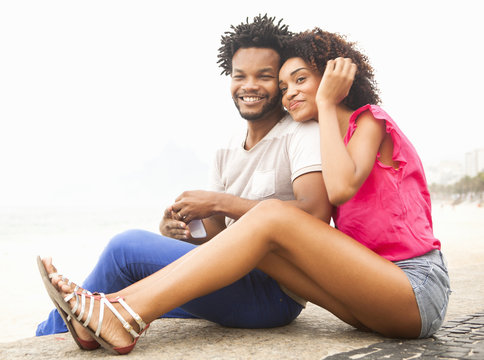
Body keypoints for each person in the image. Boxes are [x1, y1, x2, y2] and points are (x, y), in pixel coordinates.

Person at [39, 27, 451, 355]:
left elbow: (339, 190)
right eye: (286, 85)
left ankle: (122, 314)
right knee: (266, 235)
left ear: (332, 80)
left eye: (300, 80)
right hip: (371, 297)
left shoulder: (370, 120)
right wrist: (192, 223)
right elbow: (232, 242)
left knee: (273, 215)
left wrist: (327, 102)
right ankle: (111, 311)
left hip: (416, 288)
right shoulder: (330, 140)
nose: (290, 94)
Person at [36, 15, 331, 339]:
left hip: (272, 294)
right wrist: (179, 233)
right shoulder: (226, 148)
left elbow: (315, 212)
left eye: (264, 76)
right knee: (118, 292)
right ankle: (64, 329)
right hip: (227, 277)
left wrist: (220, 202)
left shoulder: (299, 133)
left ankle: (46, 337)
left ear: (281, 82)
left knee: (124, 250)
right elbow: (218, 237)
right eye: (239, 76)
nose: (249, 85)